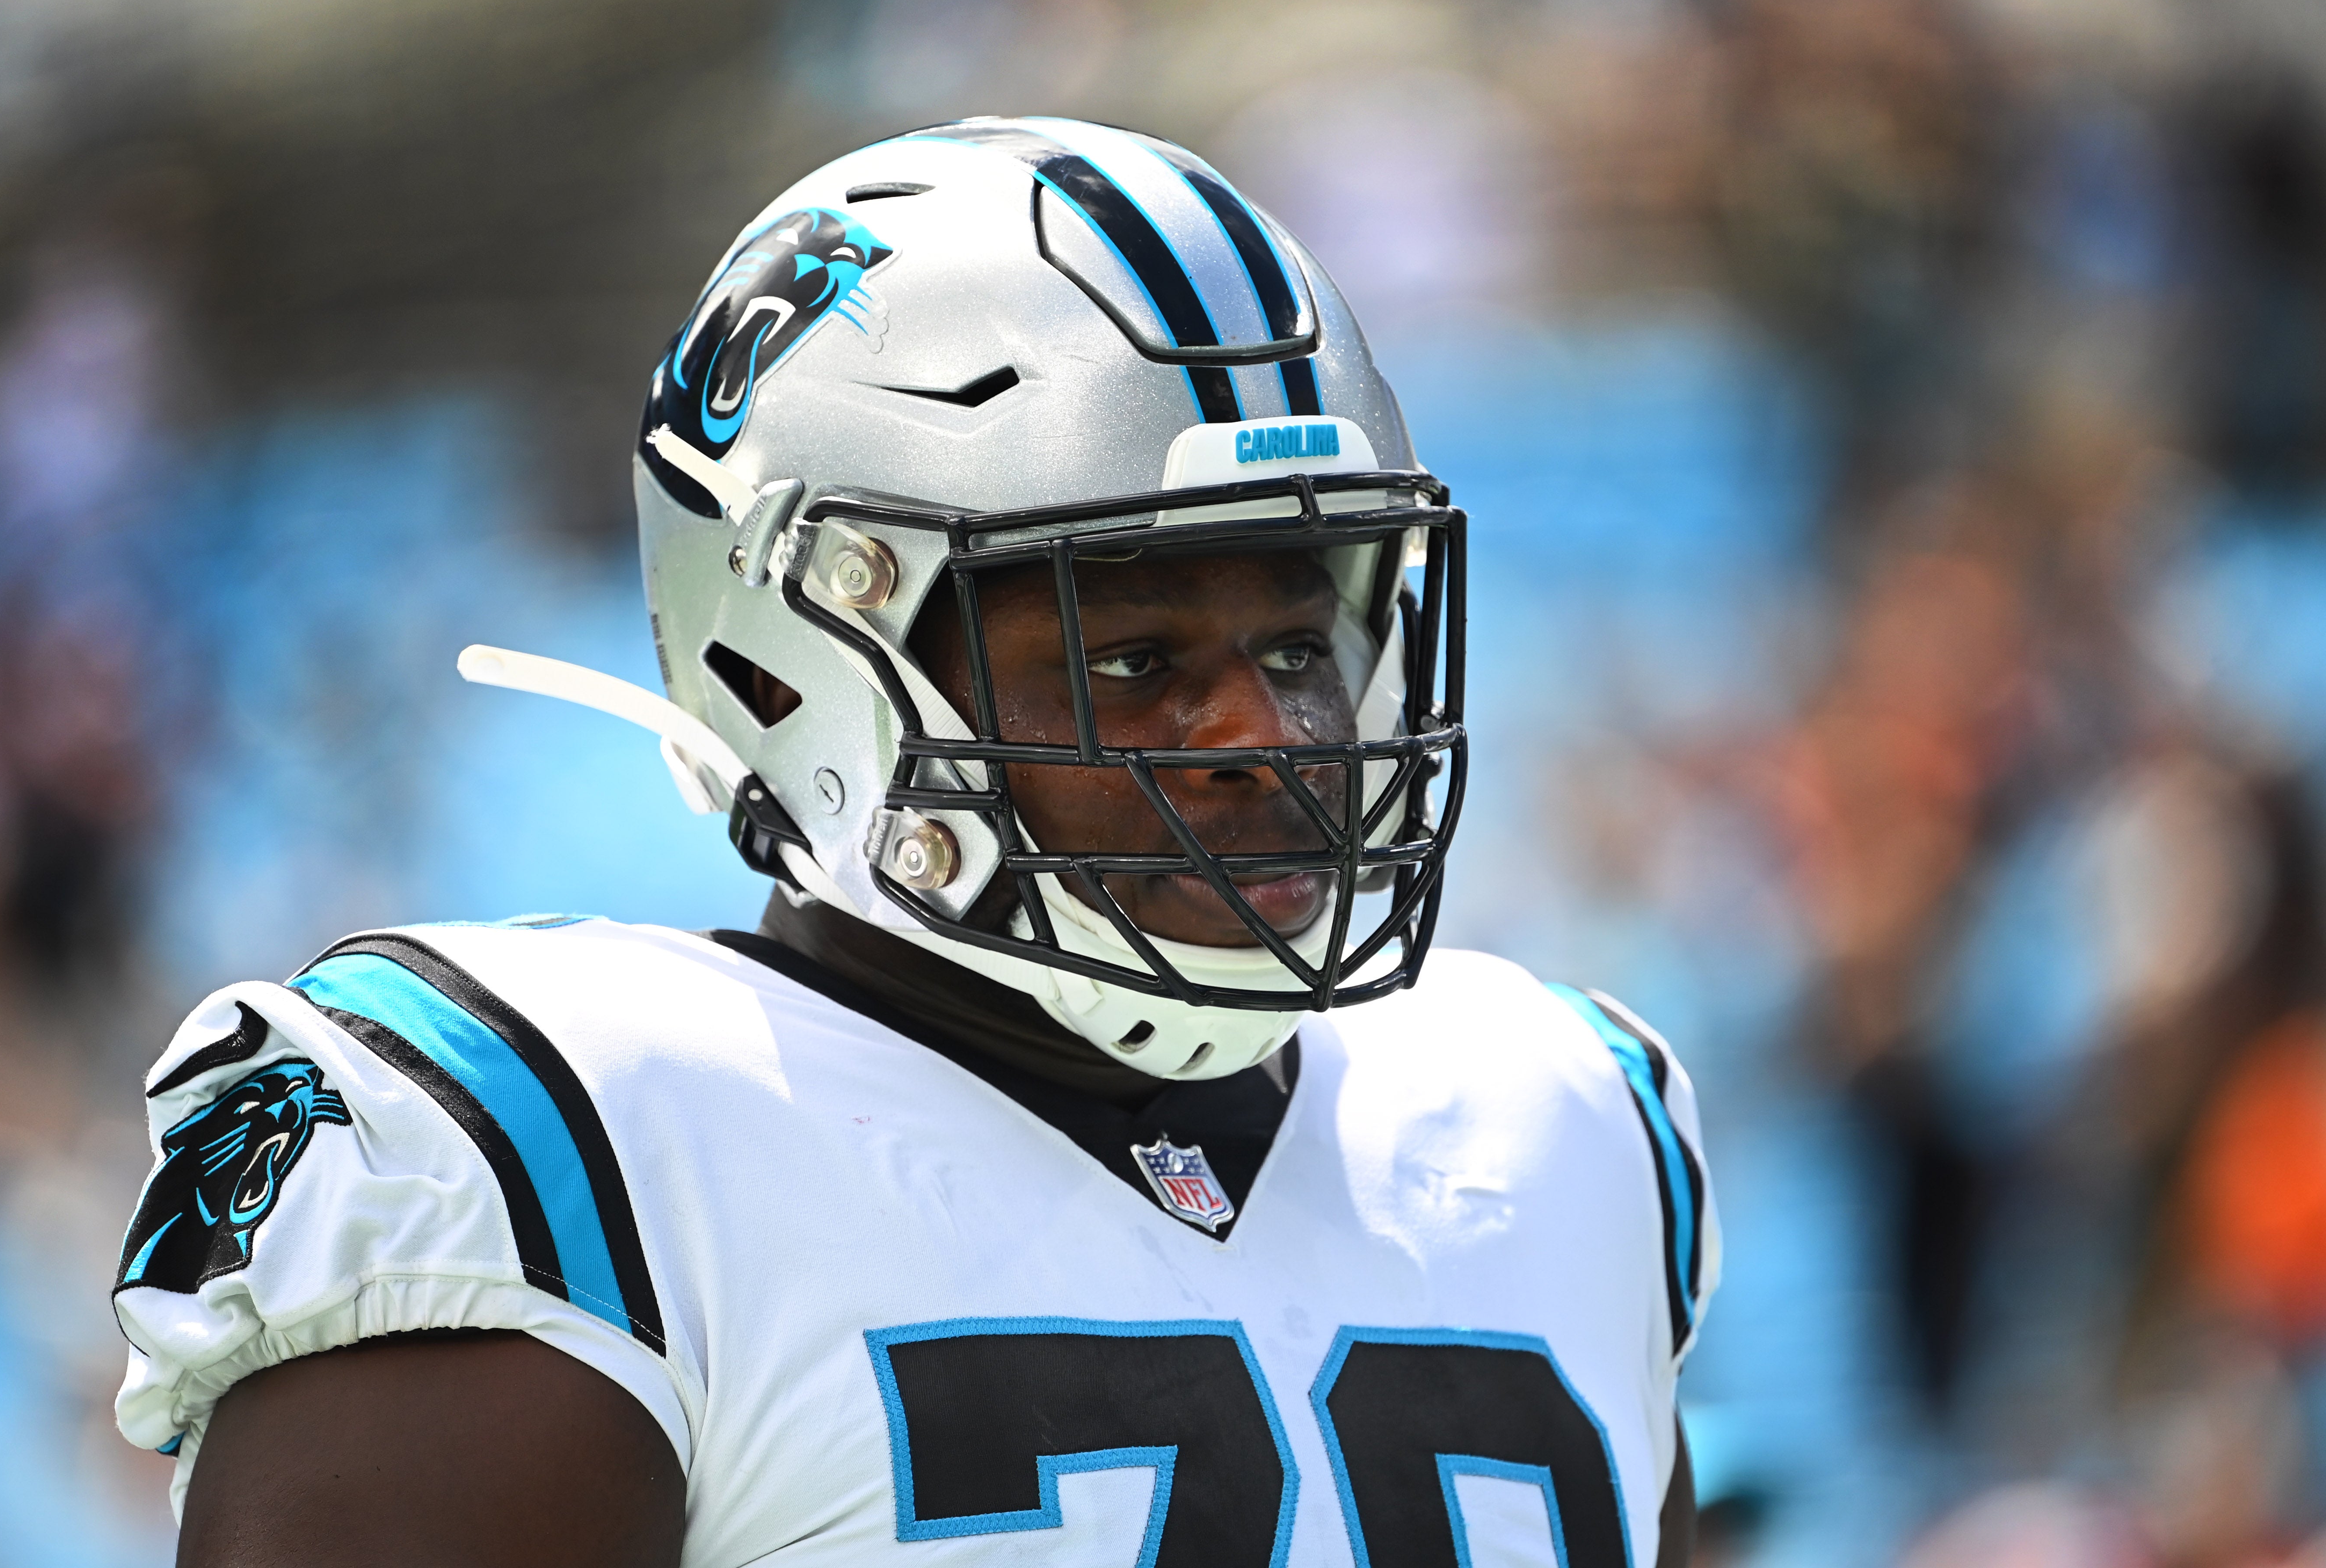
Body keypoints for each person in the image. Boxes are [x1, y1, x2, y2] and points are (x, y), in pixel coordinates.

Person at [110, 117, 1718, 1567]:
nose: (1263, 739)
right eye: (1138, 662)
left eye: (1298, 649)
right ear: (803, 661)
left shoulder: (1562, 1125)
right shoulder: (569, 1160)